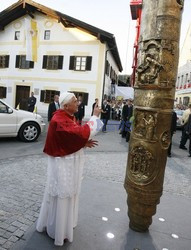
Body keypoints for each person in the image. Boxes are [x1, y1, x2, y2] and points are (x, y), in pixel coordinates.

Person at [36, 92, 103, 246]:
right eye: (75, 101)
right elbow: (82, 132)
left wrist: (81, 142)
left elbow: (72, 136)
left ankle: (65, 225)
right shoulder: (59, 119)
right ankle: (58, 231)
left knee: (66, 194)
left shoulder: (64, 116)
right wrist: (94, 117)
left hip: (67, 160)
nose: (78, 103)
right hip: (63, 164)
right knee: (62, 195)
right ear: (66, 106)